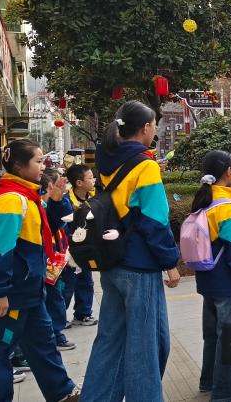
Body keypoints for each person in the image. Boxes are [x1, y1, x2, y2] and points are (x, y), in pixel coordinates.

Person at [82, 100, 182, 401]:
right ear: (146, 128)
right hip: (139, 266)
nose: (155, 131)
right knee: (145, 347)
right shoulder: (145, 166)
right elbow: (154, 220)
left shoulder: (106, 163)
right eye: (154, 126)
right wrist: (170, 261)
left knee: (110, 341)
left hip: (112, 261)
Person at [0, 140, 80, 402]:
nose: (44, 166)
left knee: (43, 346)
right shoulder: (10, 201)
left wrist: (58, 200)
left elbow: (46, 229)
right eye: (38, 161)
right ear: (19, 166)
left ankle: (63, 393)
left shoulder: (28, 196)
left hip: (29, 291)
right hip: (11, 296)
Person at [193, 150, 231, 401]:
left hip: (206, 278)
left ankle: (208, 381)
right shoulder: (227, 207)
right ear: (229, 171)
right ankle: (229, 390)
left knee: (212, 335)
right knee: (228, 337)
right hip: (226, 280)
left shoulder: (204, 199)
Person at [40, 168, 77, 352]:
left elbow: (61, 221)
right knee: (51, 300)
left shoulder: (51, 204)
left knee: (56, 298)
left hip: (54, 260)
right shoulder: (26, 203)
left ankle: (55, 335)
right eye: (38, 161)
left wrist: (58, 200)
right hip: (40, 263)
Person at [62, 164, 98, 327]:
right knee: (67, 285)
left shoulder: (95, 197)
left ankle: (83, 314)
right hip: (70, 251)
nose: (93, 180)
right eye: (90, 178)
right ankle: (59, 318)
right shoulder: (66, 201)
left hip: (87, 249)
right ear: (79, 183)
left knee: (86, 281)